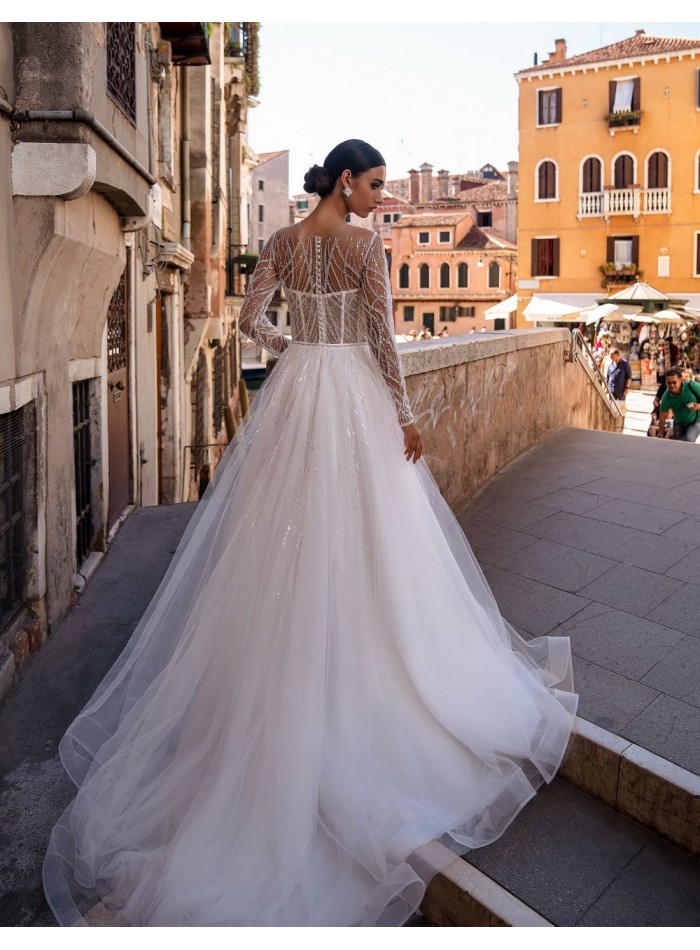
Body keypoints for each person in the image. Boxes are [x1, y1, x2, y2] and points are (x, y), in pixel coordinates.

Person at [43, 139, 577, 928]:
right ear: (350, 181)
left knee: (279, 543)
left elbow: (252, 315)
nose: (378, 198)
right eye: (375, 185)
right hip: (355, 393)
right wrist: (405, 413)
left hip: (298, 393)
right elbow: (386, 341)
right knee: (369, 541)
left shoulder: (286, 243)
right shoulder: (366, 247)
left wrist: (294, 351)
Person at [657, 368, 700, 442]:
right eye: (669, 383)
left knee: (689, 439)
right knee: (678, 445)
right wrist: (660, 433)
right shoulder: (666, 397)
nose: (672, 385)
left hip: (696, 420)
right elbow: (662, 416)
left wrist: (698, 406)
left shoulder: (692, 386)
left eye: (674, 382)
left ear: (681, 380)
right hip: (679, 422)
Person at [605, 347, 632, 412]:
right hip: (612, 390)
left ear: (617, 355)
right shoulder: (610, 365)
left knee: (621, 408)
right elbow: (608, 378)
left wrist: (627, 388)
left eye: (612, 356)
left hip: (621, 390)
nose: (611, 357)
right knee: (611, 408)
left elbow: (629, 377)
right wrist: (606, 388)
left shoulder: (625, 364)